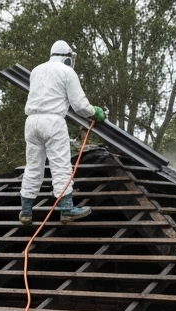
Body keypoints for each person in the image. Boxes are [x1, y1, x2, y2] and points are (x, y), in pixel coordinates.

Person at [20, 40, 106, 226]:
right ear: (67, 57)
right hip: (53, 121)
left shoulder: (36, 70)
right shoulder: (67, 72)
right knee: (60, 166)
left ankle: (26, 211)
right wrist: (94, 112)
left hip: (31, 122)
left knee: (33, 167)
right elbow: (79, 105)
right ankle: (67, 210)